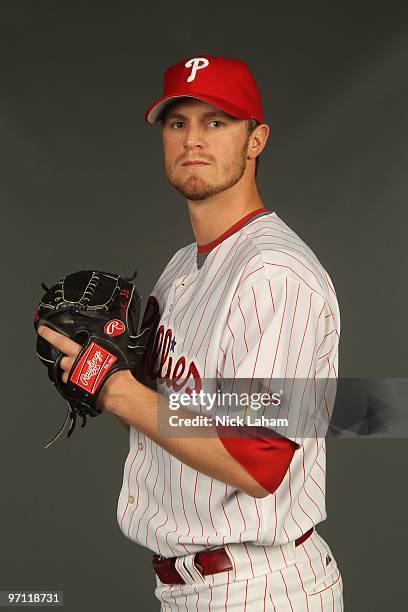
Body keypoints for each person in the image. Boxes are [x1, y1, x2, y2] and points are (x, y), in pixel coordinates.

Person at [38, 55, 344, 610]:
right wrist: (103, 360)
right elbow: (181, 408)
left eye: (216, 122)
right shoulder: (182, 267)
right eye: (178, 123)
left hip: (260, 586)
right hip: (191, 587)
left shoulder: (273, 271)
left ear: (256, 140)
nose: (192, 140)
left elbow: (259, 460)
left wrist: (118, 390)